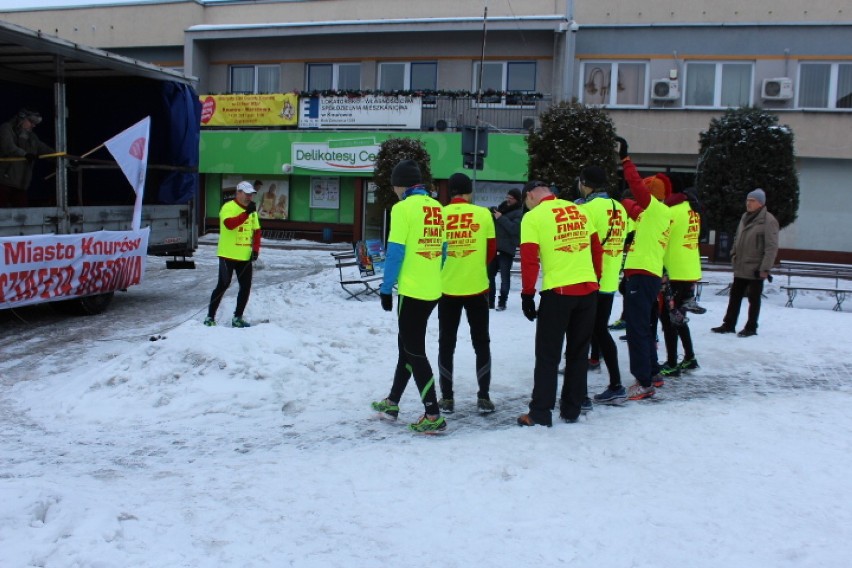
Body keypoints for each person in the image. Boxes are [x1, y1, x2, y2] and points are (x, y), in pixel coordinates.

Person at [516, 181, 602, 427]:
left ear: (530, 195)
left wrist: (527, 294)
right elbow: (596, 249)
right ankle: (571, 409)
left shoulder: (534, 218)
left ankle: (541, 413)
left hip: (559, 292)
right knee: (578, 353)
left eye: (526, 202)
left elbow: (529, 259)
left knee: (547, 356)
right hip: (588, 291)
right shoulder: (581, 211)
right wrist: (594, 278)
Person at [371, 159, 447, 433]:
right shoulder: (437, 208)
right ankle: (392, 402)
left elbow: (395, 253)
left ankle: (433, 416)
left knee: (414, 351)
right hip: (432, 289)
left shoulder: (402, 209)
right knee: (407, 346)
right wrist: (431, 273)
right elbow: (445, 250)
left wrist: (385, 287)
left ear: (400, 185)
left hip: (412, 291)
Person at [618, 137, 673, 401]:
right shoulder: (660, 215)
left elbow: (635, 188)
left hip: (641, 276)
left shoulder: (653, 210)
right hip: (649, 276)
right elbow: (632, 207)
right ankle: (653, 373)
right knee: (647, 328)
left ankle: (643, 382)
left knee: (636, 329)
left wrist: (626, 161)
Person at [437, 173, 497, 414]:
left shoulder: (440, 215)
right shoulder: (483, 214)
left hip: (447, 288)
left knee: (446, 343)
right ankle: (484, 396)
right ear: (469, 192)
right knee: (481, 343)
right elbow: (491, 251)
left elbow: (435, 251)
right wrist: (474, 266)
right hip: (477, 288)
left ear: (450, 192)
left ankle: (447, 398)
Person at [573, 166, 629, 406]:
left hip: (590, 279)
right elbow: (629, 237)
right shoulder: (620, 208)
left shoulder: (586, 209)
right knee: (601, 332)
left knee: (581, 335)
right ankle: (615, 384)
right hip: (609, 281)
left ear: (585, 184)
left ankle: (582, 395)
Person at [712, 188, 779, 337]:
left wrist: (765, 268)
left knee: (753, 299)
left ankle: (751, 327)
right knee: (734, 297)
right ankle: (729, 324)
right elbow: (737, 237)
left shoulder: (768, 221)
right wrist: (733, 254)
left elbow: (771, 247)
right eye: (747, 200)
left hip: (756, 268)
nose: (748, 203)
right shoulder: (745, 217)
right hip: (741, 265)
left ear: (760, 203)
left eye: (752, 201)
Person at [658, 182, 704, 377]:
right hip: (689, 269)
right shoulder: (693, 210)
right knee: (679, 318)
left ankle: (671, 363)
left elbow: (661, 241)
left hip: (674, 272)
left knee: (669, 319)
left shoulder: (672, 212)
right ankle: (690, 357)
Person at [204, 180, 261, 328]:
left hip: (244, 256)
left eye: (252, 195)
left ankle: (238, 318)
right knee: (223, 284)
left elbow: (257, 231)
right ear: (239, 193)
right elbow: (230, 225)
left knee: (246, 286)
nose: (249, 197)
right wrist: (246, 213)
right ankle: (210, 317)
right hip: (227, 254)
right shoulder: (228, 207)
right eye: (247, 194)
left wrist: (255, 249)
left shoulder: (252, 210)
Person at [0, 108, 55, 207]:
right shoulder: (6, 128)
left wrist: (65, 159)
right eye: (31, 122)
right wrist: (25, 154)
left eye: (35, 123)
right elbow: (8, 147)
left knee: (23, 216)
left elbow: (46, 150)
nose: (33, 125)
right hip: (3, 184)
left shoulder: (32, 137)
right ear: (22, 118)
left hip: (21, 185)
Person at [488, 187, 522, 310]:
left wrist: (500, 218)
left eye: (511, 198)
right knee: (489, 275)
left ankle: (502, 302)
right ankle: (490, 301)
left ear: (517, 200)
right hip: (495, 247)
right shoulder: (502, 208)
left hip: (507, 249)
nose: (508, 200)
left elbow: (514, 229)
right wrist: (492, 214)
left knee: (504, 277)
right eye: (507, 197)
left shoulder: (519, 212)